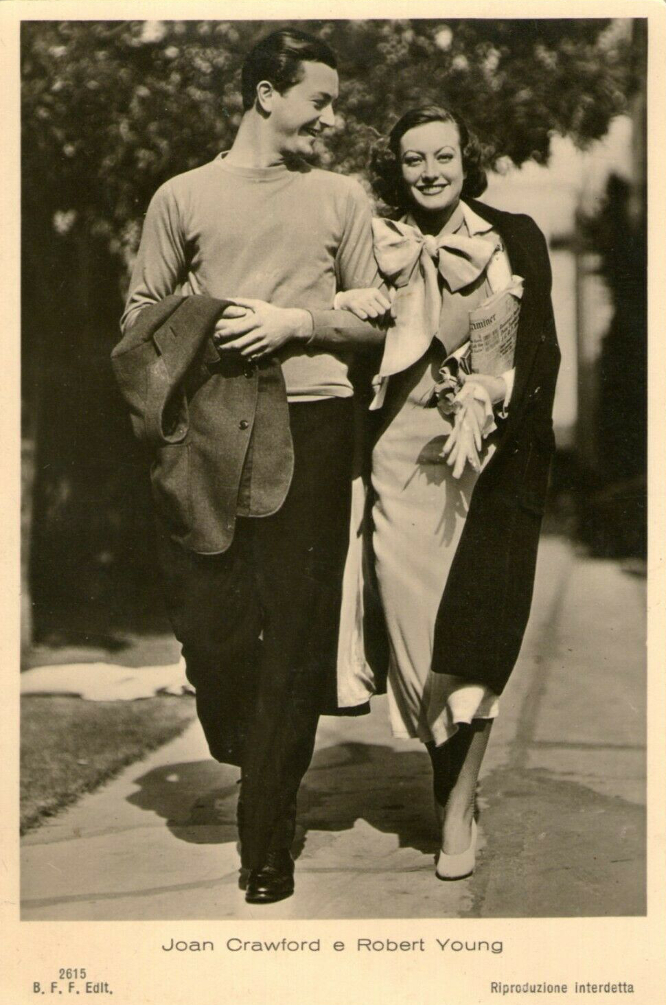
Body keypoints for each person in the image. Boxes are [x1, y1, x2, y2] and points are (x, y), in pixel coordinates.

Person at [115, 29, 388, 904]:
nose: (332, 119)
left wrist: (295, 324)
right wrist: (217, 327)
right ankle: (243, 739)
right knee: (214, 631)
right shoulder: (181, 196)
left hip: (313, 428)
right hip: (209, 438)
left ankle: (266, 839)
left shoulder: (342, 199)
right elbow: (137, 328)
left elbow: (376, 327)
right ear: (268, 96)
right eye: (321, 101)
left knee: (296, 644)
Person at [335, 105, 560, 879]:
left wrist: (488, 394)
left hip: (481, 465)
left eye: (444, 156)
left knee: (474, 641)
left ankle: (457, 808)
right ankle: (451, 781)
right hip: (397, 462)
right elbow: (350, 345)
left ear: (469, 158)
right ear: (395, 168)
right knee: (414, 641)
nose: (430, 171)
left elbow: (534, 353)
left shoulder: (514, 237)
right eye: (413, 160)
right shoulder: (369, 238)